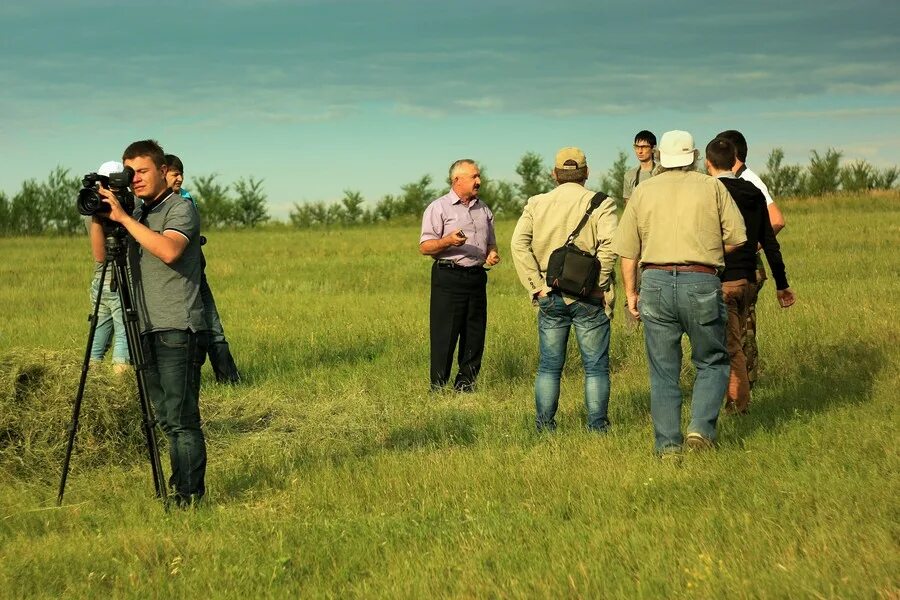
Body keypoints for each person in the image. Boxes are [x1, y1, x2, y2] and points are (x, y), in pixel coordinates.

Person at [612, 130, 746, 455]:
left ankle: (669, 447)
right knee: (713, 361)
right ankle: (700, 429)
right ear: (696, 156)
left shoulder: (642, 191)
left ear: (660, 157)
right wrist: (707, 251)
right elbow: (738, 236)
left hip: (654, 282)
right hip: (701, 279)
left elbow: (627, 251)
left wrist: (631, 293)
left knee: (663, 372)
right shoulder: (712, 187)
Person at [90, 139, 208, 506]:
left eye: (142, 171)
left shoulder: (180, 208)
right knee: (165, 419)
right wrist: (99, 218)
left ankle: (188, 498)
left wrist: (124, 219)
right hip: (144, 327)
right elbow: (100, 256)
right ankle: (178, 492)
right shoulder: (138, 214)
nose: (135, 179)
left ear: (162, 170)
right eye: (130, 173)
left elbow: (170, 250)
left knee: (181, 419)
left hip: (178, 327)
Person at [510, 147, 618, 432]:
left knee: (549, 367)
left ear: (554, 174)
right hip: (589, 299)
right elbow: (610, 247)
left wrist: (536, 287)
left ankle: (544, 427)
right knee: (595, 368)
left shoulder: (536, 203)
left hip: (550, 293)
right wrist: (599, 286)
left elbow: (517, 244)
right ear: (586, 173)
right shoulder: (602, 203)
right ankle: (597, 428)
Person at [705, 138, 796, 414]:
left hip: (719, 280)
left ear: (707, 163)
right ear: (735, 159)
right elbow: (770, 241)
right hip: (748, 279)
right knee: (740, 341)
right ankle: (737, 399)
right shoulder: (754, 192)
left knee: (725, 348)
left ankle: (735, 408)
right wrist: (782, 285)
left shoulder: (708, 192)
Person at [419, 159, 500, 392]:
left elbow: (491, 243)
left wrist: (492, 254)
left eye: (479, 176)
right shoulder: (439, 207)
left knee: (475, 333)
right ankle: (439, 386)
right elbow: (425, 247)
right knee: (445, 333)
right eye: (474, 176)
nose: (479, 181)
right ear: (457, 180)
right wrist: (448, 241)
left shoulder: (483, 209)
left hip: (476, 277)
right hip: (449, 276)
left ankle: (466, 385)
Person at [715, 130, 785, 390]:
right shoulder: (737, 180)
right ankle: (738, 386)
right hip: (739, 268)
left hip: (743, 268)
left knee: (742, 331)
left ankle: (743, 388)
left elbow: (776, 219)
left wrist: (747, 246)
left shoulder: (749, 180)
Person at [164, 154, 242, 384]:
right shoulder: (153, 207)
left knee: (214, 327)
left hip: (199, 275)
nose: (179, 178)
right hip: (177, 281)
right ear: (162, 174)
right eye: (174, 174)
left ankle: (229, 380)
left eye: (181, 173)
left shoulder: (187, 199)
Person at [86, 160, 132, 374]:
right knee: (125, 336)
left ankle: (92, 385)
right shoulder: (128, 206)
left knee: (97, 340)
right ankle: (119, 388)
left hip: (99, 282)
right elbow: (101, 255)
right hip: (121, 279)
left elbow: (98, 257)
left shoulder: (93, 207)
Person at [620, 130, 658, 333]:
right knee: (632, 282)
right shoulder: (630, 175)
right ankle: (631, 331)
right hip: (637, 237)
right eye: (637, 146)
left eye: (644, 147)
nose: (640, 151)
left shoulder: (661, 172)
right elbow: (628, 209)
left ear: (653, 149)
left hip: (658, 235)